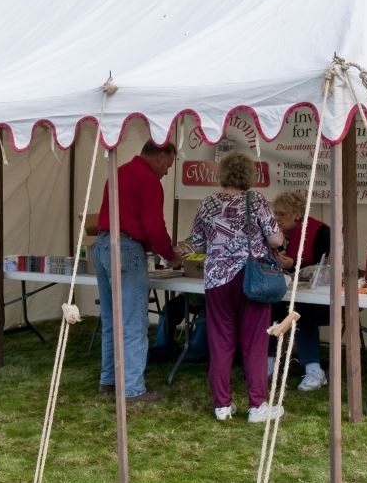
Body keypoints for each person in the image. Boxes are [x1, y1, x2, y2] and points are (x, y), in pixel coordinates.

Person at [184, 152, 285, 423]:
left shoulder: (207, 203)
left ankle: (222, 405)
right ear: (248, 176)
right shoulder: (257, 200)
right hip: (251, 277)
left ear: (223, 174)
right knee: (254, 342)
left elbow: (196, 243)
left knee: (220, 341)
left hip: (216, 279)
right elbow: (275, 240)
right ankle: (257, 406)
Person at [93, 140, 182, 403]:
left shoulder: (119, 171)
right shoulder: (149, 180)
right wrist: (171, 255)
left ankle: (108, 380)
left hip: (102, 244)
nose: (167, 171)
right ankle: (132, 388)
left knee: (111, 320)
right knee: (133, 322)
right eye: (169, 164)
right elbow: (154, 227)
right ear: (161, 156)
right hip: (126, 248)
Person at [269, 190, 331, 391]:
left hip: (318, 297)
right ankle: (268, 362)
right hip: (286, 292)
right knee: (266, 305)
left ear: (296, 214)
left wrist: (294, 264)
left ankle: (314, 370)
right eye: (275, 214)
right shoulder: (277, 235)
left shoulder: (320, 231)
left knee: (303, 311)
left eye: (281, 214)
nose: (277, 219)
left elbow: (323, 269)